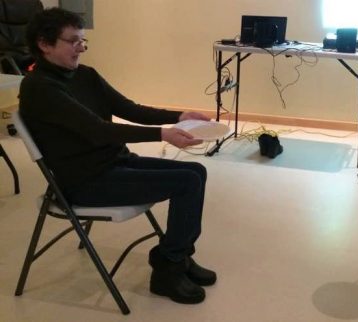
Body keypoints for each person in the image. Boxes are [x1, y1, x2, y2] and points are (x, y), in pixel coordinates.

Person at [20, 8, 215, 304]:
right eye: (73, 41)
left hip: (114, 163)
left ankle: (179, 256)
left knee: (197, 172)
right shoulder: (39, 89)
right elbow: (98, 131)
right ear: (45, 44)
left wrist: (179, 115)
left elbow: (129, 109)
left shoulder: (84, 75)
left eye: (83, 41)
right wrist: (163, 134)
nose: (81, 48)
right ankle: (168, 267)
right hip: (85, 182)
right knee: (187, 182)